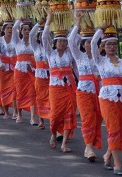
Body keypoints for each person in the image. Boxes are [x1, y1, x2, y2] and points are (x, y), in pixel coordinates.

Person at [91, 24, 122, 175]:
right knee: (113, 128)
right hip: (106, 98)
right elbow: (92, 44)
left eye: (114, 44)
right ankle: (117, 163)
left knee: (121, 128)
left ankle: (108, 154)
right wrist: (100, 30)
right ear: (103, 46)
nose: (112, 46)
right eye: (108, 44)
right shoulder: (101, 61)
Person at [68, 14, 102, 162]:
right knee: (87, 119)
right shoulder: (79, 57)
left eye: (91, 42)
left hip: (100, 92)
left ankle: (91, 144)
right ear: (82, 45)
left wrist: (101, 28)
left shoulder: (99, 58)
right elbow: (70, 40)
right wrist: (77, 24)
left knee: (96, 120)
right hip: (83, 92)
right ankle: (88, 148)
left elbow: (96, 42)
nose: (88, 44)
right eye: (86, 42)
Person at [42, 13, 78, 153]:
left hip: (69, 87)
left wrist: (76, 23)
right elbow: (45, 38)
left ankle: (64, 143)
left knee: (69, 112)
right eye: (60, 41)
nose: (62, 43)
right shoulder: (50, 54)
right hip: (55, 88)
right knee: (56, 114)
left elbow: (76, 70)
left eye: (64, 41)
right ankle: (53, 134)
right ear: (55, 43)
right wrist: (48, 22)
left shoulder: (70, 54)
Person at [11, 20, 36, 124]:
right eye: (24, 30)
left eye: (28, 30)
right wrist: (20, 19)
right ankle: (19, 114)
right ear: (21, 31)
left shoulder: (33, 43)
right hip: (20, 70)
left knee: (32, 92)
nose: (27, 32)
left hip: (31, 69)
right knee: (20, 91)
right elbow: (13, 29)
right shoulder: (17, 42)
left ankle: (32, 117)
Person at [0, 21, 17, 119]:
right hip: (2, 69)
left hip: (13, 68)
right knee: (4, 90)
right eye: (7, 28)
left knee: (14, 90)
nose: (10, 30)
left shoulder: (16, 40)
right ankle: (6, 111)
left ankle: (15, 111)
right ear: (3, 30)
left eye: (11, 28)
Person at [30, 18, 51, 129]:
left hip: (50, 76)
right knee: (40, 98)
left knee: (51, 99)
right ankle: (41, 120)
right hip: (39, 76)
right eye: (41, 35)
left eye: (45, 35)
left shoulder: (51, 48)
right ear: (38, 37)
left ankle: (52, 120)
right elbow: (30, 35)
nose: (43, 38)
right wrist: (39, 23)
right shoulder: (35, 47)